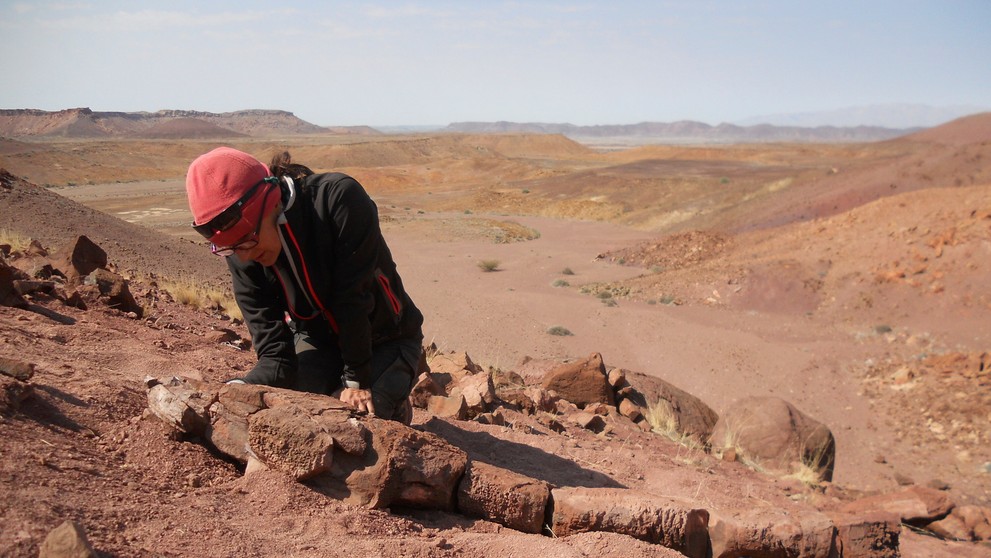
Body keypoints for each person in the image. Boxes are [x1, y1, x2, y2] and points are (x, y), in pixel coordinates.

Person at [185, 146, 424, 423]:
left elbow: (351, 298)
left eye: (248, 240)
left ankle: (395, 404)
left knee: (354, 423)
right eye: (230, 249)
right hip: (317, 341)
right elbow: (275, 355)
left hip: (387, 339)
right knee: (285, 414)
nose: (246, 256)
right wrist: (240, 389)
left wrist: (356, 382)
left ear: (272, 202)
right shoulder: (239, 249)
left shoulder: (338, 199)